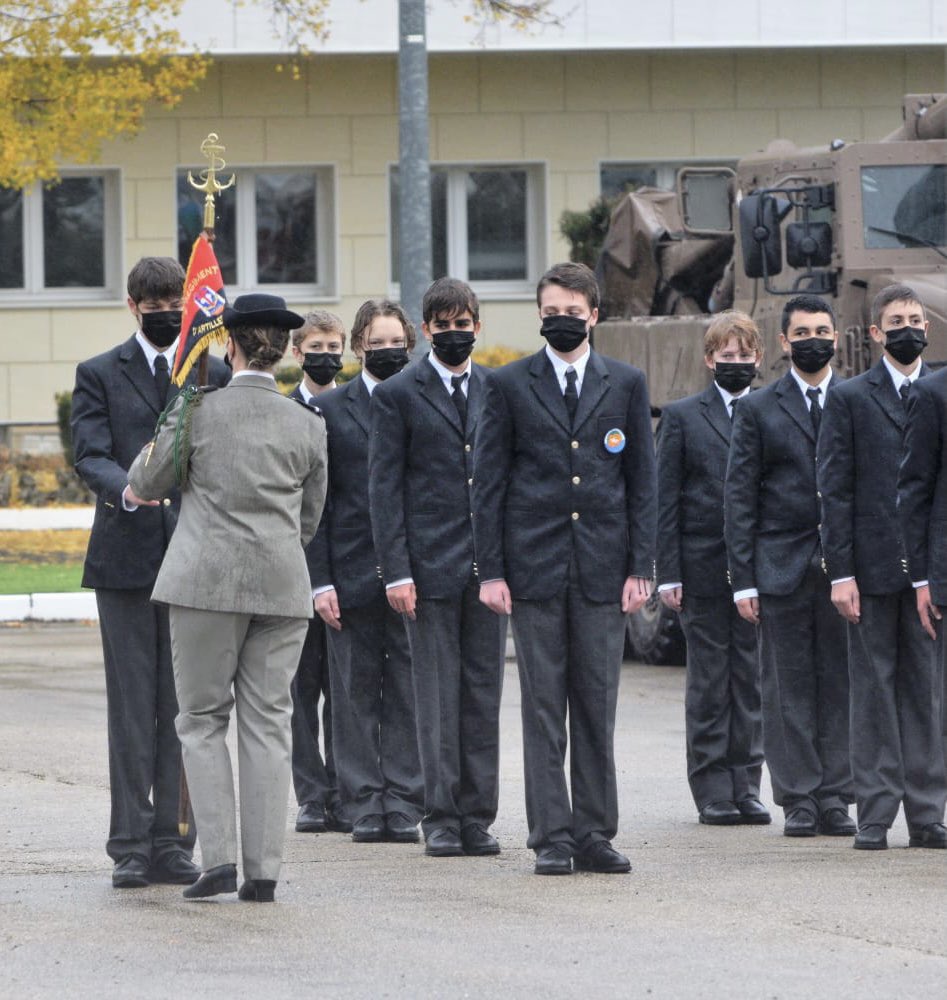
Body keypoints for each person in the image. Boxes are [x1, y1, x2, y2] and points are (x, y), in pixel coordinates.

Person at [128, 293, 328, 902]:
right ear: (284, 350)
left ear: (230, 344)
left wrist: (181, 404)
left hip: (204, 583)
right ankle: (263, 870)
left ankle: (217, 860)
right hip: (280, 582)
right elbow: (309, 518)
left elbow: (146, 481)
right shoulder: (308, 422)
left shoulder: (198, 410)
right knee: (270, 725)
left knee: (202, 721)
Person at [473, 261, 656, 876]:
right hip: (534, 567)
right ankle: (551, 835)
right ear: (539, 316)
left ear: (594, 316)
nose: (562, 321)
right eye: (551, 312)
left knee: (597, 704)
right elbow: (490, 484)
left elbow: (642, 484)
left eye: (573, 313)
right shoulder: (508, 385)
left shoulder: (625, 383)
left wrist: (642, 564)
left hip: (604, 569)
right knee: (544, 707)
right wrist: (492, 570)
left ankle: (596, 833)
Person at [71, 256, 229, 889]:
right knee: (134, 707)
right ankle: (130, 844)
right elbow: (89, 452)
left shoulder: (210, 371)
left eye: (175, 303)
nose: (167, 313)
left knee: (185, 706)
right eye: (155, 304)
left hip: (194, 557)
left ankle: (173, 838)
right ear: (134, 307)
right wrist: (130, 491)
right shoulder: (100, 373)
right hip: (127, 560)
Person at [368, 277, 505, 859]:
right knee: (435, 696)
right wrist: (396, 570)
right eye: (443, 325)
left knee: (482, 695)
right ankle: (441, 815)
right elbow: (385, 489)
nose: (454, 333)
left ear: (478, 325)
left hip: (488, 570)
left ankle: (478, 815)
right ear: (426, 331)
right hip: (426, 571)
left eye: (463, 323)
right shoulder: (398, 394)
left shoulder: (499, 391)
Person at [819, 283, 946, 850]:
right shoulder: (849, 398)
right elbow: (835, 490)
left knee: (925, 693)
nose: (908, 328)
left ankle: (927, 813)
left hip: (927, 575)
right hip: (868, 571)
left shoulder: (940, 393)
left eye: (916, 319)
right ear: (875, 332)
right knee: (872, 691)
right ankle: (873, 812)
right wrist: (840, 572)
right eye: (896, 320)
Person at [725, 293, 854, 838]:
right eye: (802, 333)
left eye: (822, 331)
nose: (813, 341)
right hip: (780, 568)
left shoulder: (852, 401)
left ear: (837, 337)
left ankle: (836, 797)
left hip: (844, 570)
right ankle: (799, 797)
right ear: (783, 342)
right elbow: (740, 496)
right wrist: (743, 579)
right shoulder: (757, 409)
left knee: (841, 684)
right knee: (786, 687)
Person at [310, 300, 423, 844]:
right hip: (348, 572)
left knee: (404, 688)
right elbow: (317, 504)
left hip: (411, 576)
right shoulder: (329, 411)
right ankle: (359, 801)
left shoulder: (422, 402)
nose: (386, 352)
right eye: (376, 343)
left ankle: (402, 799)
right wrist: (320, 580)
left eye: (395, 342)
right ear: (358, 347)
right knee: (352, 692)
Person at [656, 311, 769, 827]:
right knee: (709, 681)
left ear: (758, 358)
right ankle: (711, 786)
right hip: (701, 567)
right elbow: (667, 500)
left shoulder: (768, 411)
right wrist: (668, 572)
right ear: (709, 359)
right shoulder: (683, 416)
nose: (737, 364)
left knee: (749, 679)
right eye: (727, 357)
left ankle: (747, 783)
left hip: (758, 571)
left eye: (745, 356)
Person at [288, 310, 349, 835]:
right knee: (300, 691)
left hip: (346, 570)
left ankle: (347, 788)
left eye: (334, 346)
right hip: (292, 571)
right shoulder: (285, 412)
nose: (326, 355)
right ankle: (312, 794)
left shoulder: (354, 409)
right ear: (296, 353)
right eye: (316, 346)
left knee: (346, 689)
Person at [894, 301, 947, 851]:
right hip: (944, 574)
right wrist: (923, 576)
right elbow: (915, 491)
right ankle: (929, 812)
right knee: (937, 704)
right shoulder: (933, 395)